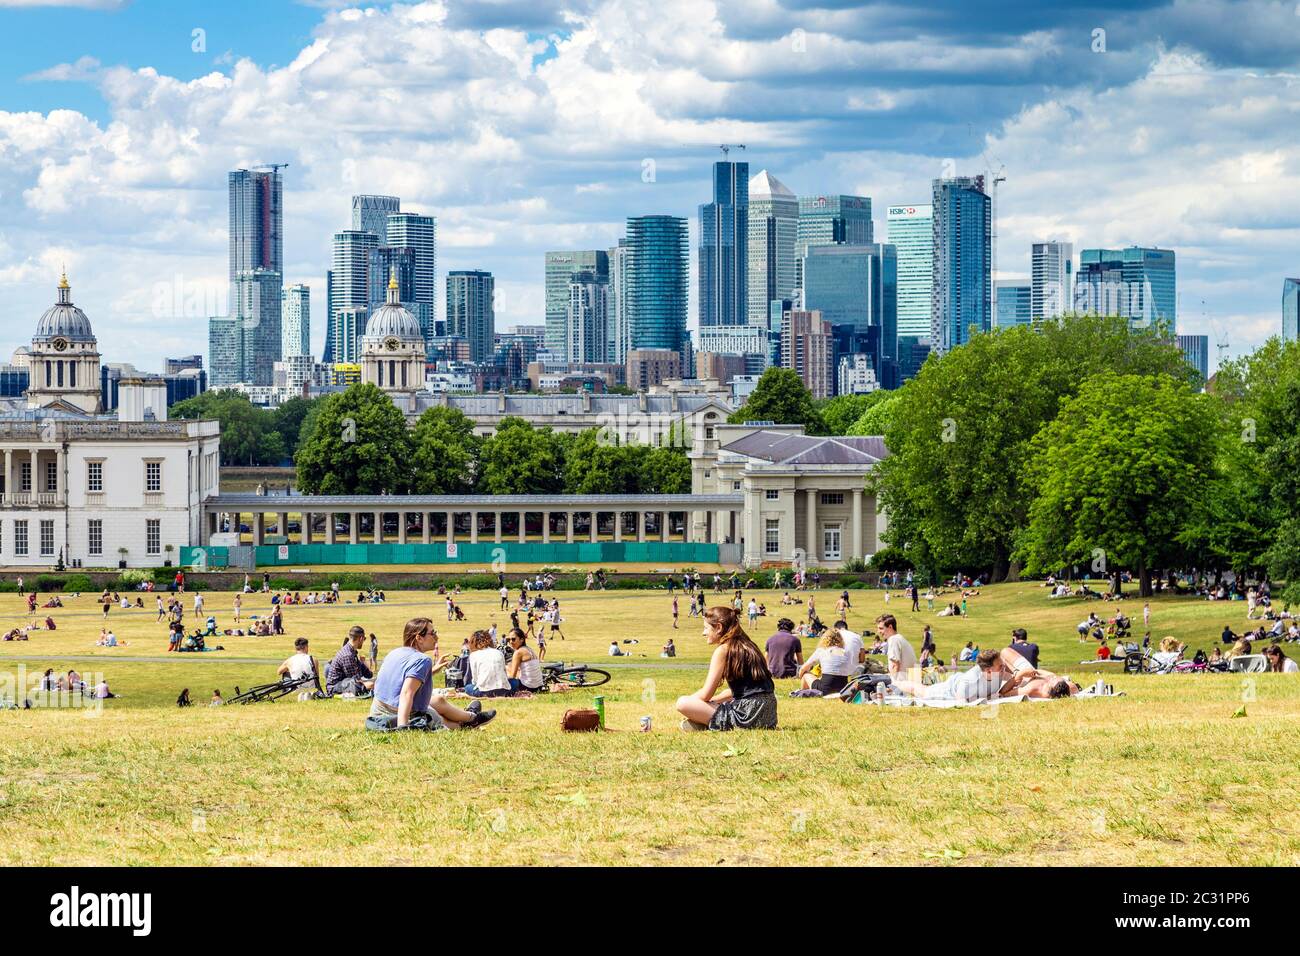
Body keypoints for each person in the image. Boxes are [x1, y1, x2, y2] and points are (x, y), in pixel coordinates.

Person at [366, 618, 493, 731]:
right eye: (433, 633)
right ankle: (471, 720)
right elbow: (406, 693)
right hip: (398, 714)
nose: (436, 637)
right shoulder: (422, 660)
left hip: (377, 711)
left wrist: (433, 670)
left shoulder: (395, 652)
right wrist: (402, 727)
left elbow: (402, 680)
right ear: (419, 638)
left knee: (438, 700)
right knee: (440, 720)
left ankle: (470, 716)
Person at [675, 605, 777, 731]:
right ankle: (707, 722)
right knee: (723, 697)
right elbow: (744, 691)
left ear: (718, 627)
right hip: (769, 716)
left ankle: (709, 723)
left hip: (747, 715)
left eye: (706, 628)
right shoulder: (750, 646)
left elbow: (706, 694)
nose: (703, 633)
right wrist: (714, 701)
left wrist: (694, 702)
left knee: (682, 703)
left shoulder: (723, 650)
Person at [892, 649, 1007, 702]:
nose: (1003, 668)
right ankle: (894, 682)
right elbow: (960, 701)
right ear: (988, 671)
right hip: (949, 690)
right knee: (920, 690)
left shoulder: (998, 674)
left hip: (958, 680)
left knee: (921, 687)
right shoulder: (971, 681)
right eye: (1000, 666)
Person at [797, 628, 855, 695]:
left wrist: (800, 677)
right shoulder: (846, 652)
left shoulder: (822, 650)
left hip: (825, 689)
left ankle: (802, 693)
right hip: (842, 689)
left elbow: (803, 668)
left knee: (805, 674)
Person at [326, 626, 376, 697]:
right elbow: (355, 680)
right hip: (335, 688)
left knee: (374, 683)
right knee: (371, 684)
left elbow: (369, 674)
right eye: (364, 639)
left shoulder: (352, 652)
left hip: (345, 683)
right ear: (360, 638)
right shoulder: (347, 655)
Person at [465, 630, 512, 697]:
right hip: (504, 690)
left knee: (467, 687)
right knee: (514, 682)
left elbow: (475, 678)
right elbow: (504, 673)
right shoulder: (498, 652)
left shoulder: (473, 655)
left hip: (484, 691)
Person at [876, 614, 917, 680]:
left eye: (881, 628)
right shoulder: (899, 638)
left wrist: (892, 684)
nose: (878, 632)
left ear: (890, 627)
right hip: (910, 679)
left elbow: (895, 665)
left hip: (903, 682)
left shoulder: (893, 640)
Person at [505, 628, 544, 693]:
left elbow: (512, 676)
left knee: (506, 669)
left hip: (527, 687)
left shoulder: (518, 652)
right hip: (538, 687)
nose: (511, 642)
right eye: (508, 640)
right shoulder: (529, 649)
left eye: (513, 639)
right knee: (509, 667)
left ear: (521, 640)